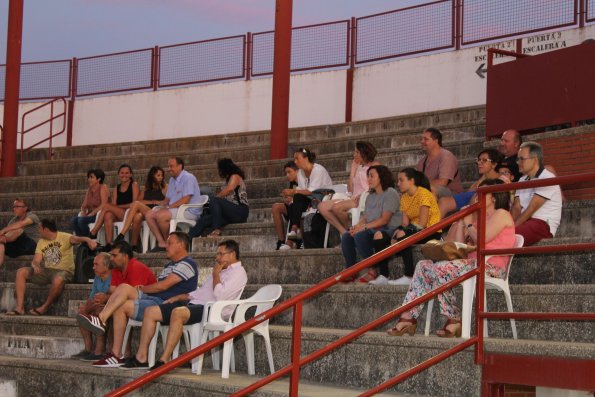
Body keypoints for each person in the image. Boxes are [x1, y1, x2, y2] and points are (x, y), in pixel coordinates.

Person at [387, 179, 516, 338]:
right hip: (470, 263)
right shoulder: (477, 219)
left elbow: (482, 241)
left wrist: (469, 225)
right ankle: (408, 317)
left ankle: (453, 319)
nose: (477, 196)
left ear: (494, 196)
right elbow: (455, 246)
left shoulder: (502, 214)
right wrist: (461, 222)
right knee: (423, 265)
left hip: (491, 267)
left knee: (441, 268)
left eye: (482, 192)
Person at [77, 232, 198, 368]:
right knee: (122, 297)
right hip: (156, 299)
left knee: (124, 292)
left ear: (181, 245)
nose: (166, 246)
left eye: (170, 243)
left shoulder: (188, 263)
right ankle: (115, 353)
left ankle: (101, 319)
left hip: (167, 304)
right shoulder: (169, 265)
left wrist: (142, 289)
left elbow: (163, 285)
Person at [121, 240, 247, 370]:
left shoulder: (238, 273)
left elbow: (220, 295)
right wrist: (183, 296)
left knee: (178, 312)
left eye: (221, 254)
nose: (217, 258)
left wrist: (215, 275)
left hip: (212, 309)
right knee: (150, 311)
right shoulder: (220, 269)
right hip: (194, 303)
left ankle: (164, 361)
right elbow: (202, 292)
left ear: (232, 254)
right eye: (217, 254)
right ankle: (141, 358)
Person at [6, 219, 97, 316]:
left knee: (58, 280)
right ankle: (20, 308)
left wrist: (89, 240)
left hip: (63, 271)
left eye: (39, 229)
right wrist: (35, 265)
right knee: (21, 272)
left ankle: (44, 307)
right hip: (46, 271)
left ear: (46, 229)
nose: (38, 231)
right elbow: (36, 259)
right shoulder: (41, 241)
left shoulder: (65, 237)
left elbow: (79, 239)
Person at [376, 168, 441, 286]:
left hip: (431, 229)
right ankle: (384, 275)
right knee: (379, 235)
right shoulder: (404, 197)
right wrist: (397, 231)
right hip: (413, 228)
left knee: (402, 234)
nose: (398, 183)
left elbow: (422, 224)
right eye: (397, 180)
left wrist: (401, 232)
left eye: (401, 180)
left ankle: (409, 275)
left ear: (411, 181)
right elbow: (405, 223)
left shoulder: (424, 193)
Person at [341, 165, 401, 285]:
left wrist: (362, 228)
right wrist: (356, 226)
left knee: (359, 235)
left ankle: (372, 269)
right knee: (347, 235)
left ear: (381, 177)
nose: (369, 179)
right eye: (368, 176)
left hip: (388, 229)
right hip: (372, 228)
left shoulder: (391, 193)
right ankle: (351, 270)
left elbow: (385, 220)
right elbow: (366, 217)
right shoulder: (370, 196)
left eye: (372, 176)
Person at [319, 141, 379, 236]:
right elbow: (350, 190)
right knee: (322, 206)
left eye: (357, 152)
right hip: (353, 198)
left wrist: (363, 194)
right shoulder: (359, 166)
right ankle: (344, 232)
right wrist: (352, 171)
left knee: (337, 208)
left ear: (364, 153)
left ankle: (350, 233)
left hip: (364, 198)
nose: (354, 155)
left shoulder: (375, 166)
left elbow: (378, 186)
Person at [279, 148, 333, 249]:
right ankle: (295, 230)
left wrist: (293, 192)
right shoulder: (300, 173)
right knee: (294, 200)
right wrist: (291, 197)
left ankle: (294, 232)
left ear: (306, 158)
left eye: (297, 159)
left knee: (297, 197)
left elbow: (310, 191)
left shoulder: (318, 170)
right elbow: (301, 191)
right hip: (310, 199)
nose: (295, 161)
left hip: (322, 198)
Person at [145, 157, 202, 252]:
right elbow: (167, 199)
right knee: (149, 214)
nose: (169, 169)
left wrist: (168, 208)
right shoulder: (172, 179)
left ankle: (169, 243)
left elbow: (186, 199)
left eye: (171, 166)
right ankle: (162, 243)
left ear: (180, 166)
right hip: (175, 209)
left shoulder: (189, 177)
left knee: (162, 215)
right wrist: (162, 206)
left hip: (189, 210)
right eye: (168, 166)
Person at [511, 142, 562, 246]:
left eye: (522, 159)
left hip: (543, 223)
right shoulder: (522, 179)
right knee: (496, 234)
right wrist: (508, 226)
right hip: (526, 222)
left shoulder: (547, 178)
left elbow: (531, 209)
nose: (518, 162)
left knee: (507, 237)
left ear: (534, 159)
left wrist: (511, 229)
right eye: (517, 159)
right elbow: (516, 207)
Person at [188, 158, 249, 238]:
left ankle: (216, 230)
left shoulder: (235, 176)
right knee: (204, 221)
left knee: (213, 200)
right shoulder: (227, 180)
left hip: (240, 211)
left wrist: (214, 200)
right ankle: (185, 240)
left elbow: (229, 189)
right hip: (230, 214)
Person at [113, 166, 168, 251]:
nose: (161, 177)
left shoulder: (164, 187)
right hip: (146, 212)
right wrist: (151, 202)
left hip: (155, 212)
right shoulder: (147, 188)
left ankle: (122, 233)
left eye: (162, 175)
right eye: (158, 175)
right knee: (137, 216)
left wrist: (156, 202)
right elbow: (139, 200)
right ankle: (134, 246)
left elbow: (165, 202)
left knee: (136, 204)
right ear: (152, 176)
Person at [71, 252, 113, 361]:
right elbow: (91, 298)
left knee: (100, 311)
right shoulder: (97, 278)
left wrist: (100, 303)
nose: (93, 267)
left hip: (111, 307)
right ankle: (88, 349)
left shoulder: (114, 276)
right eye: (93, 264)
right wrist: (88, 307)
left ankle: (100, 350)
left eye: (96, 264)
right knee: (82, 311)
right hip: (98, 305)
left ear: (107, 266)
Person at [438, 148, 504, 218]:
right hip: (471, 199)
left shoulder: (503, 180)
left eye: (484, 160)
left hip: (483, 204)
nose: (479, 163)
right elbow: (470, 193)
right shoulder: (482, 179)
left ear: (494, 164)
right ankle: (430, 228)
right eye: (479, 160)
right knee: (443, 202)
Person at [89, 164, 140, 247]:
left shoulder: (134, 185)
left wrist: (117, 207)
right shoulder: (117, 188)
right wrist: (115, 207)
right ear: (118, 174)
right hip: (119, 213)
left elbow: (134, 203)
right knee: (108, 215)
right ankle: (109, 244)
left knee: (106, 206)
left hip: (130, 213)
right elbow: (113, 204)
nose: (124, 175)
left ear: (131, 174)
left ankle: (94, 231)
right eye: (122, 173)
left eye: (127, 173)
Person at [417, 128, 463, 197]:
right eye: (422, 139)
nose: (422, 141)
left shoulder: (446, 156)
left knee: (433, 189)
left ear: (436, 141)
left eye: (426, 139)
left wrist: (421, 185)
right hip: (429, 193)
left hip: (453, 196)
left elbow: (443, 182)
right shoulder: (421, 161)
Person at [0, 198, 40, 267]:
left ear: (25, 208)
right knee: (1, 244)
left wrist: (3, 231)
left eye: (17, 206)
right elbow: (8, 234)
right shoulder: (13, 221)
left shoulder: (32, 216)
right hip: (18, 247)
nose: (14, 209)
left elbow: (21, 224)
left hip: (32, 246)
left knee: (19, 230)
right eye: (14, 207)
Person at [70, 168, 109, 237]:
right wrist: (83, 211)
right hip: (90, 215)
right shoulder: (89, 190)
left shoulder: (103, 187)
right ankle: (82, 240)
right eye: (88, 177)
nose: (89, 179)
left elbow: (104, 204)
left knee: (81, 221)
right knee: (73, 220)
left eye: (91, 177)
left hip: (99, 215)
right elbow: (84, 205)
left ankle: (89, 239)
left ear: (99, 179)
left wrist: (92, 213)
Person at [272, 161, 299, 250]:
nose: (287, 175)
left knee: (294, 204)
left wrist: (292, 199)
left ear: (297, 171)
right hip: (293, 206)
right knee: (276, 207)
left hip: (303, 207)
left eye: (289, 172)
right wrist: (287, 199)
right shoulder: (293, 183)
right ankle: (281, 240)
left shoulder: (304, 180)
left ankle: (293, 239)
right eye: (286, 173)